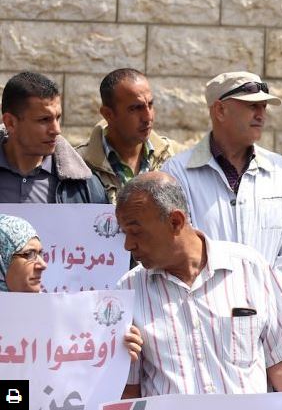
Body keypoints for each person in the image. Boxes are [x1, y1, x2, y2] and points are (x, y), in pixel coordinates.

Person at [116, 172, 282, 397]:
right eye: (124, 234)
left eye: (136, 232)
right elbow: (128, 392)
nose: (128, 245)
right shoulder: (128, 291)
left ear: (175, 222)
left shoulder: (250, 268)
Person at [162, 71, 282, 302]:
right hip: (203, 315)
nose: (261, 115)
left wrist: (262, 298)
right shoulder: (176, 173)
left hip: (270, 315)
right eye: (252, 106)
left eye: (264, 107)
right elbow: (176, 249)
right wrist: (219, 301)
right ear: (220, 110)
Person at [0, 214, 144, 360]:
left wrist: (117, 350)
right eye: (29, 254)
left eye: (40, 254)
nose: (42, 264)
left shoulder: (55, 317)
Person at [0, 72, 107, 203]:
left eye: (57, 118)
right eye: (44, 119)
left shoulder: (86, 187)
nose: (56, 130)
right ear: (10, 122)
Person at [77, 68, 173, 203]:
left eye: (150, 105)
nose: (148, 117)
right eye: (135, 108)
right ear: (108, 114)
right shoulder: (79, 165)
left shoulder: (172, 157)